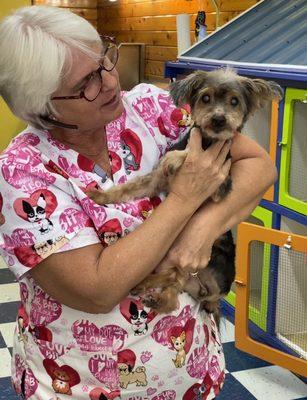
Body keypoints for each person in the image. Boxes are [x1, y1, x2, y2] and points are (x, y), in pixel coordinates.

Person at [0, 6, 277, 400]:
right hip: (83, 383)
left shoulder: (150, 107)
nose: (110, 82)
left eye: (104, 60)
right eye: (87, 83)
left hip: (189, 366)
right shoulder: (22, 173)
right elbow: (97, 289)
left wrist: (199, 234)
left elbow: (258, 165)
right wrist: (184, 199)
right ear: (42, 104)